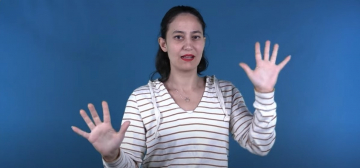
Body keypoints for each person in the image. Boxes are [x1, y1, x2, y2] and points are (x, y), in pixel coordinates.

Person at [71, 5, 291, 168]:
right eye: (178, 37)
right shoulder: (142, 99)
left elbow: (260, 145)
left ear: (203, 42)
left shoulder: (226, 93)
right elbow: (128, 165)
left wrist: (264, 93)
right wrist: (112, 155)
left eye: (195, 37)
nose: (188, 44)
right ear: (163, 44)